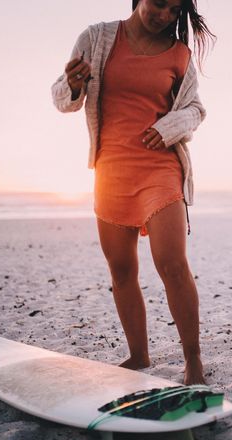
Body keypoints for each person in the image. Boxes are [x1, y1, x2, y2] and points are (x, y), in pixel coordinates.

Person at [51, 0, 215, 385]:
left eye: (173, 11)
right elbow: (62, 97)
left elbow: (195, 110)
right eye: (158, 5)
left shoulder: (179, 54)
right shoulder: (97, 37)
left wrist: (171, 126)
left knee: (172, 264)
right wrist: (73, 85)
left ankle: (193, 362)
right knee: (122, 269)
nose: (164, 15)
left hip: (160, 167)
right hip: (111, 169)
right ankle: (139, 355)